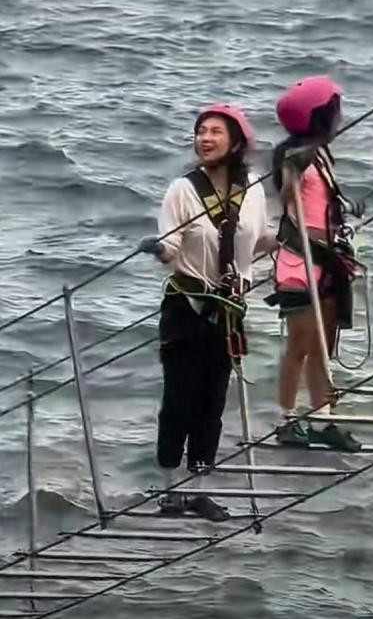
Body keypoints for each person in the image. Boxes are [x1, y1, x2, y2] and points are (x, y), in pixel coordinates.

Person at [140, 104, 275, 521]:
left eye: (216, 131)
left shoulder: (252, 189)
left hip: (229, 310)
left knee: (211, 403)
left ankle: (199, 490)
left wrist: (295, 237)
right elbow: (172, 247)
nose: (205, 138)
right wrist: (158, 249)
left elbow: (256, 241)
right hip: (186, 305)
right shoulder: (182, 189)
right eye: (201, 131)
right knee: (178, 399)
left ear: (235, 143)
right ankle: (169, 491)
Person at [269, 76, 363, 452]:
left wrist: (347, 207)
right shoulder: (293, 156)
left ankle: (323, 418)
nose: (340, 118)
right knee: (301, 342)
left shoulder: (322, 156)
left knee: (324, 344)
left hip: (328, 261)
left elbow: (322, 201)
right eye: (335, 112)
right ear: (321, 115)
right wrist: (294, 169)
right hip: (299, 260)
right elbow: (287, 196)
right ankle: (287, 419)